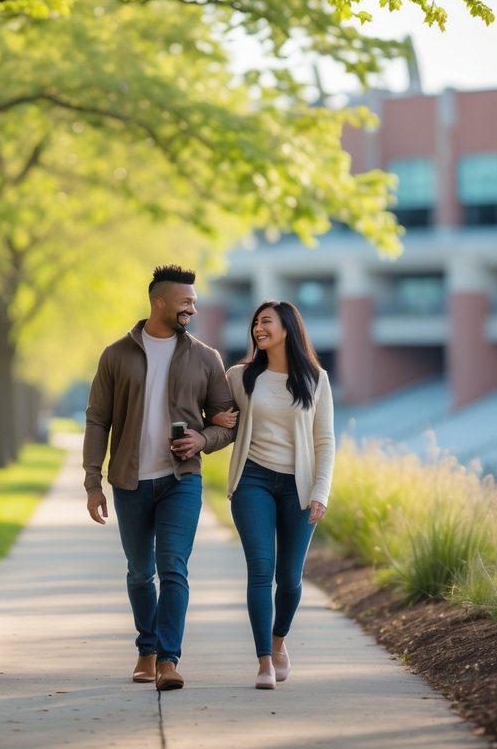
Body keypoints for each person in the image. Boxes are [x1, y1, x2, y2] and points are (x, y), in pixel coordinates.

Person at [83, 264, 235, 692]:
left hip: (181, 480)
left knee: (173, 568)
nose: (193, 307)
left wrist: (202, 440)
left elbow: (229, 424)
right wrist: (93, 481)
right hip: (130, 481)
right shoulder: (116, 355)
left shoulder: (207, 358)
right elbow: (97, 421)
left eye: (195, 301)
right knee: (138, 572)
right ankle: (146, 649)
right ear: (160, 302)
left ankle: (168, 660)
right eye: (186, 301)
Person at [211, 300, 334, 690]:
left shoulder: (315, 378)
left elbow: (325, 440)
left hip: (298, 485)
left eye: (266, 322)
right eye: (255, 323)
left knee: (291, 579)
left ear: (287, 328)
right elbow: (219, 417)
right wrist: (212, 421)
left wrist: (321, 490)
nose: (258, 328)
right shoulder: (241, 376)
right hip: (253, 480)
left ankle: (279, 641)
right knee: (261, 570)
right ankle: (264, 660)